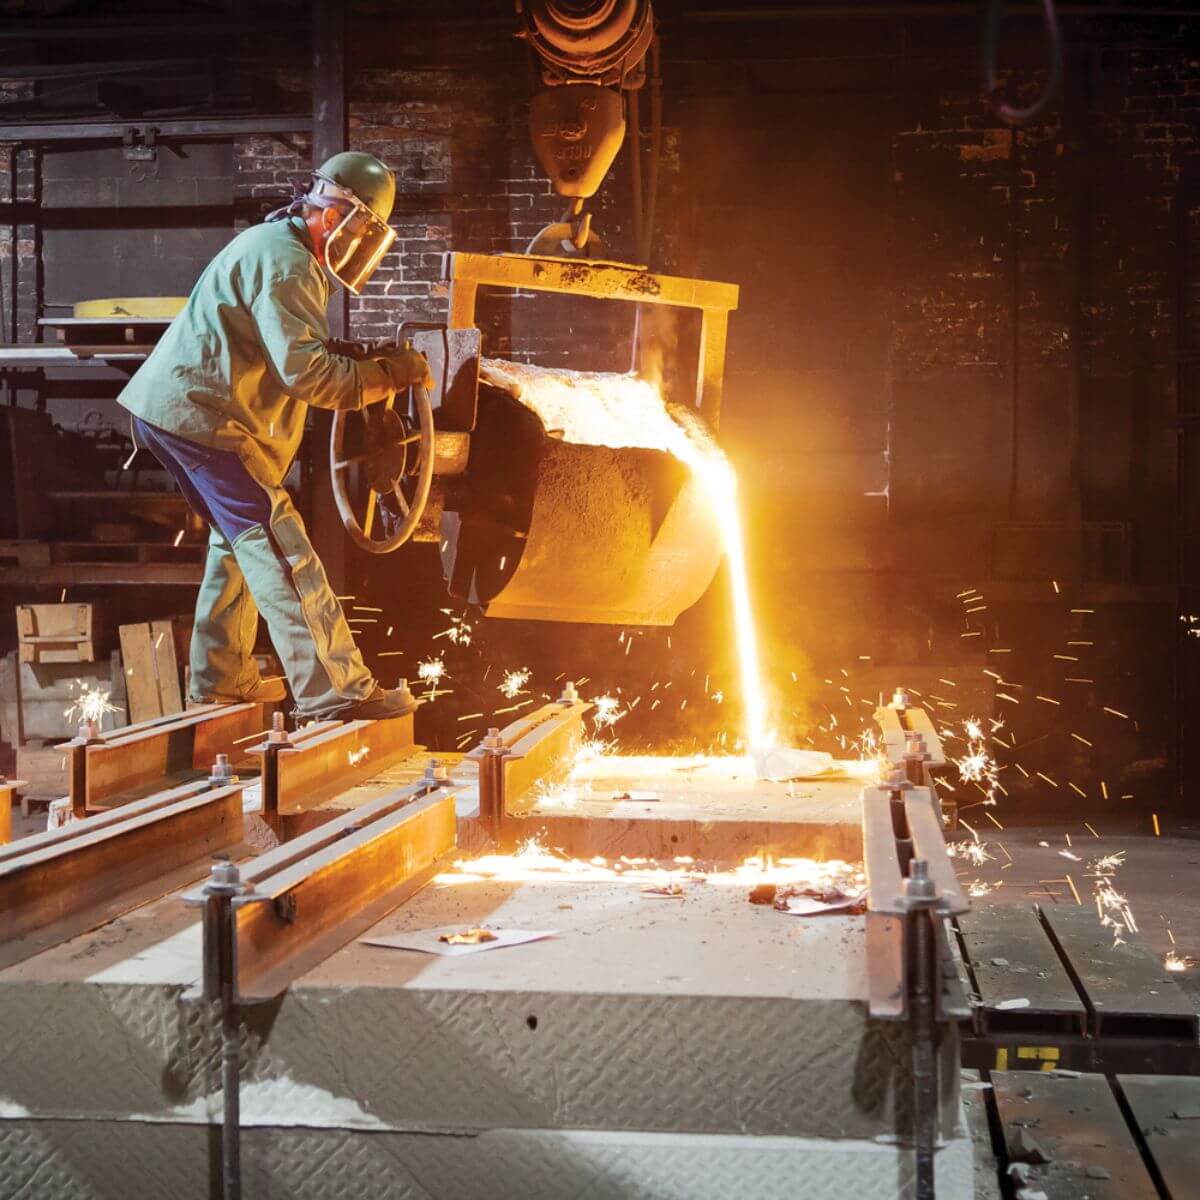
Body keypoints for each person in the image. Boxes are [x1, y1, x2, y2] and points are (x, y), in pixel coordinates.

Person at [118, 151, 431, 721]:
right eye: (361, 229)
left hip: (176, 412)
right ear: (340, 216)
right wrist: (389, 378)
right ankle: (336, 690)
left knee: (236, 544)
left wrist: (360, 359)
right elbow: (308, 375)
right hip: (202, 420)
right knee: (280, 542)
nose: (360, 243)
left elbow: (291, 348)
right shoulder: (288, 263)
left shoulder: (280, 247)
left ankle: (221, 680)